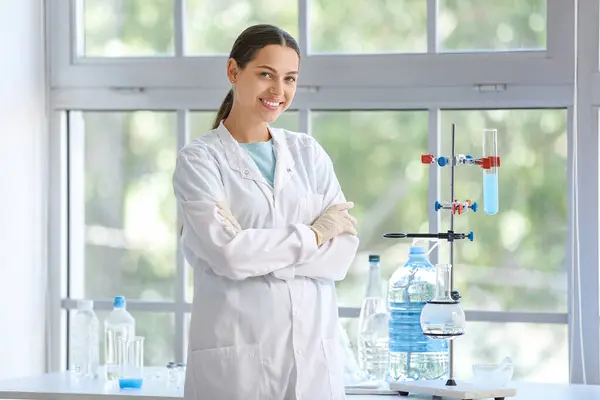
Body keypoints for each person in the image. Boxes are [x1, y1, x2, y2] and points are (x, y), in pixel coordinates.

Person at [172, 24, 359, 400]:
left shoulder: (308, 154)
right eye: (265, 75)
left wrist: (256, 253)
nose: (279, 91)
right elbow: (228, 254)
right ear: (233, 72)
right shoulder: (200, 160)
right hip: (237, 371)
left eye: (290, 79)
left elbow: (342, 255)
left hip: (313, 368)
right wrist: (314, 234)